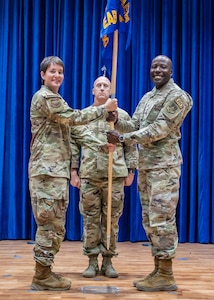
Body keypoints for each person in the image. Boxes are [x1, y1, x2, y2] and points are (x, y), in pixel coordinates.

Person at [28, 56, 117, 291]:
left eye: (60, 72)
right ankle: (42, 276)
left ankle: (45, 272)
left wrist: (102, 146)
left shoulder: (56, 99)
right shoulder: (45, 98)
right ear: (43, 75)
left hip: (55, 173)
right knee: (49, 225)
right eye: (52, 72)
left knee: (56, 225)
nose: (56, 75)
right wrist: (102, 110)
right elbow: (73, 118)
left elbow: (75, 134)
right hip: (47, 172)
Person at [107, 55, 193, 292]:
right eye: (154, 66)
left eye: (162, 67)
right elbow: (135, 126)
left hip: (164, 168)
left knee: (162, 219)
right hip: (147, 167)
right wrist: (117, 119)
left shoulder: (178, 96)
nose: (157, 70)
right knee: (150, 221)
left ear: (171, 71)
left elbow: (159, 129)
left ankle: (166, 274)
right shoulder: (147, 97)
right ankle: (158, 269)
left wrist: (122, 138)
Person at [70, 76, 138, 278]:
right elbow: (74, 144)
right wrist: (74, 171)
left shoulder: (121, 116)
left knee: (111, 221)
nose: (101, 88)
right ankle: (91, 261)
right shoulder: (84, 116)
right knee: (91, 221)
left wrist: (131, 170)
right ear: (92, 91)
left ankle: (108, 261)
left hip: (114, 175)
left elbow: (131, 143)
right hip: (89, 175)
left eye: (105, 86)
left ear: (110, 91)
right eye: (98, 86)